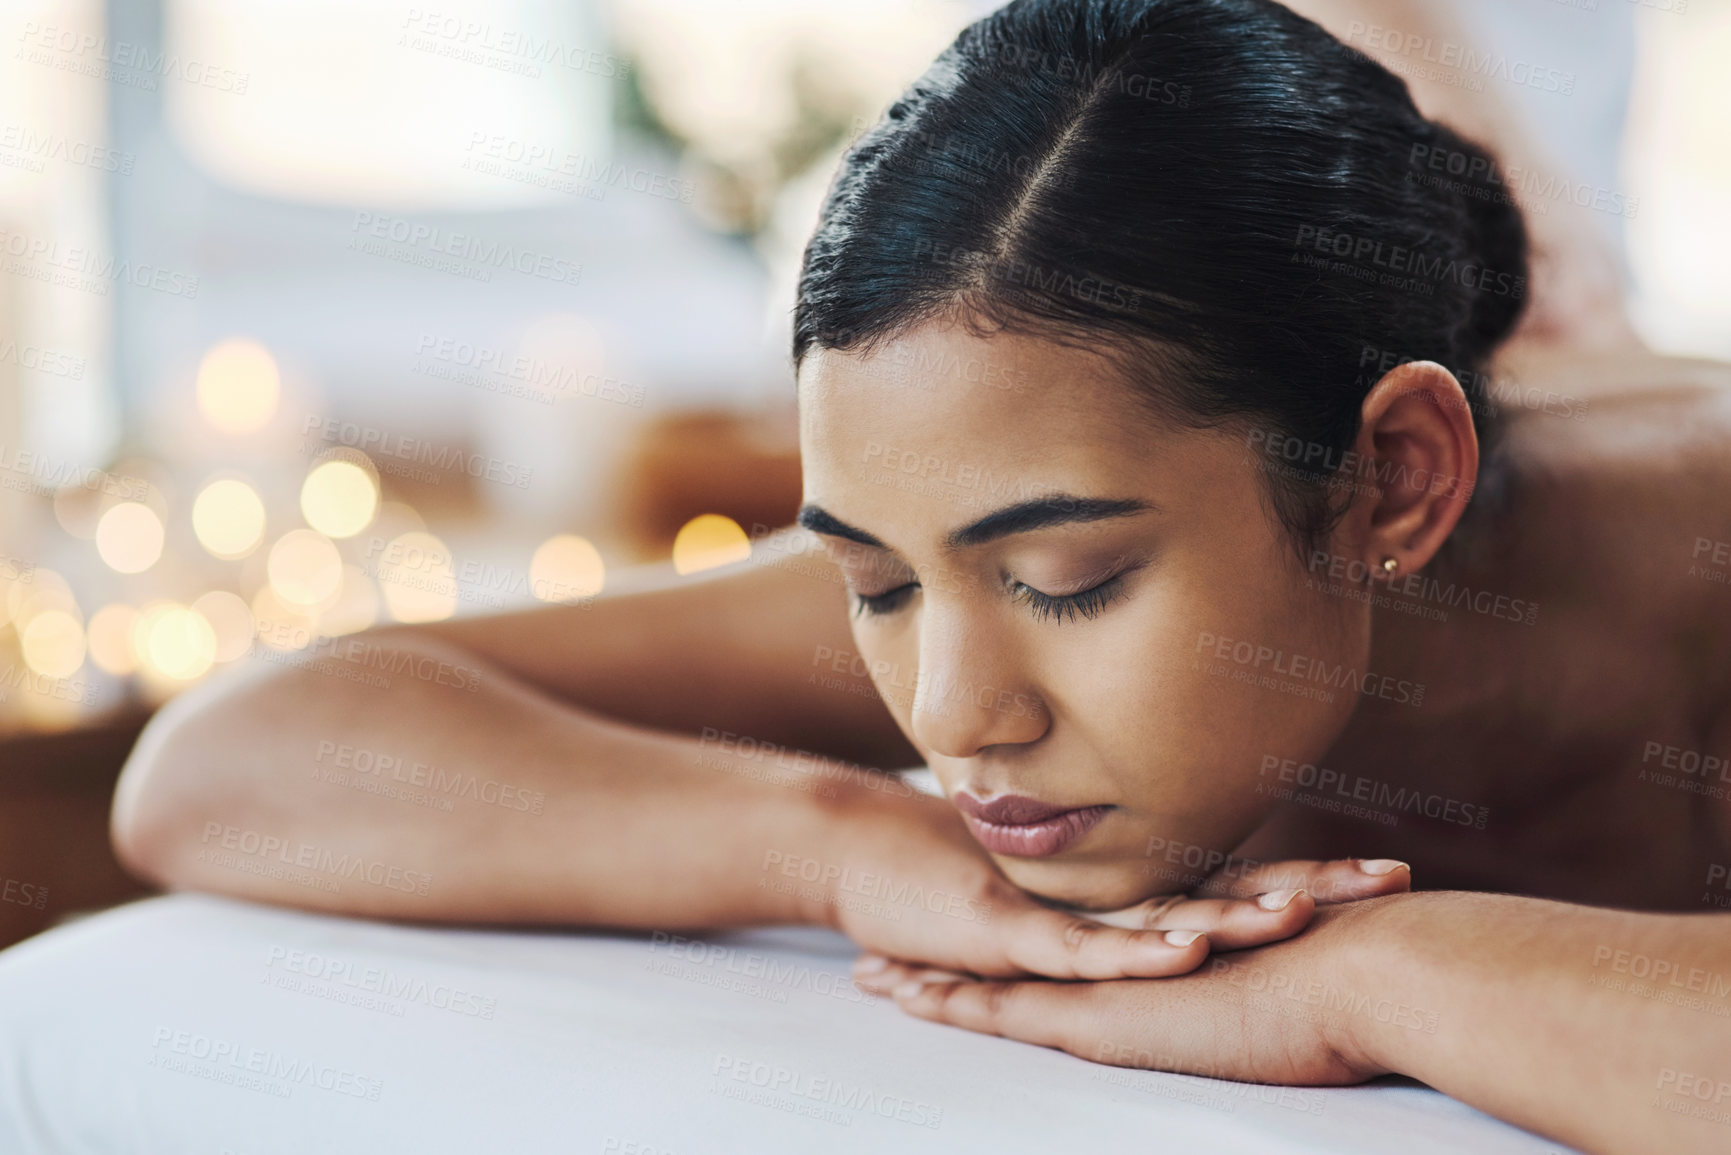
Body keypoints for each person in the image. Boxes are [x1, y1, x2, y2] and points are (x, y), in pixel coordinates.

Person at [111, 2, 1730, 1152]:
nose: (956, 717)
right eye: (877, 588)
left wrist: (1368, 978)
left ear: (1393, 480)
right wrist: (846, 850)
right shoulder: (979, 576)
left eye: (1072, 581)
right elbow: (222, 769)